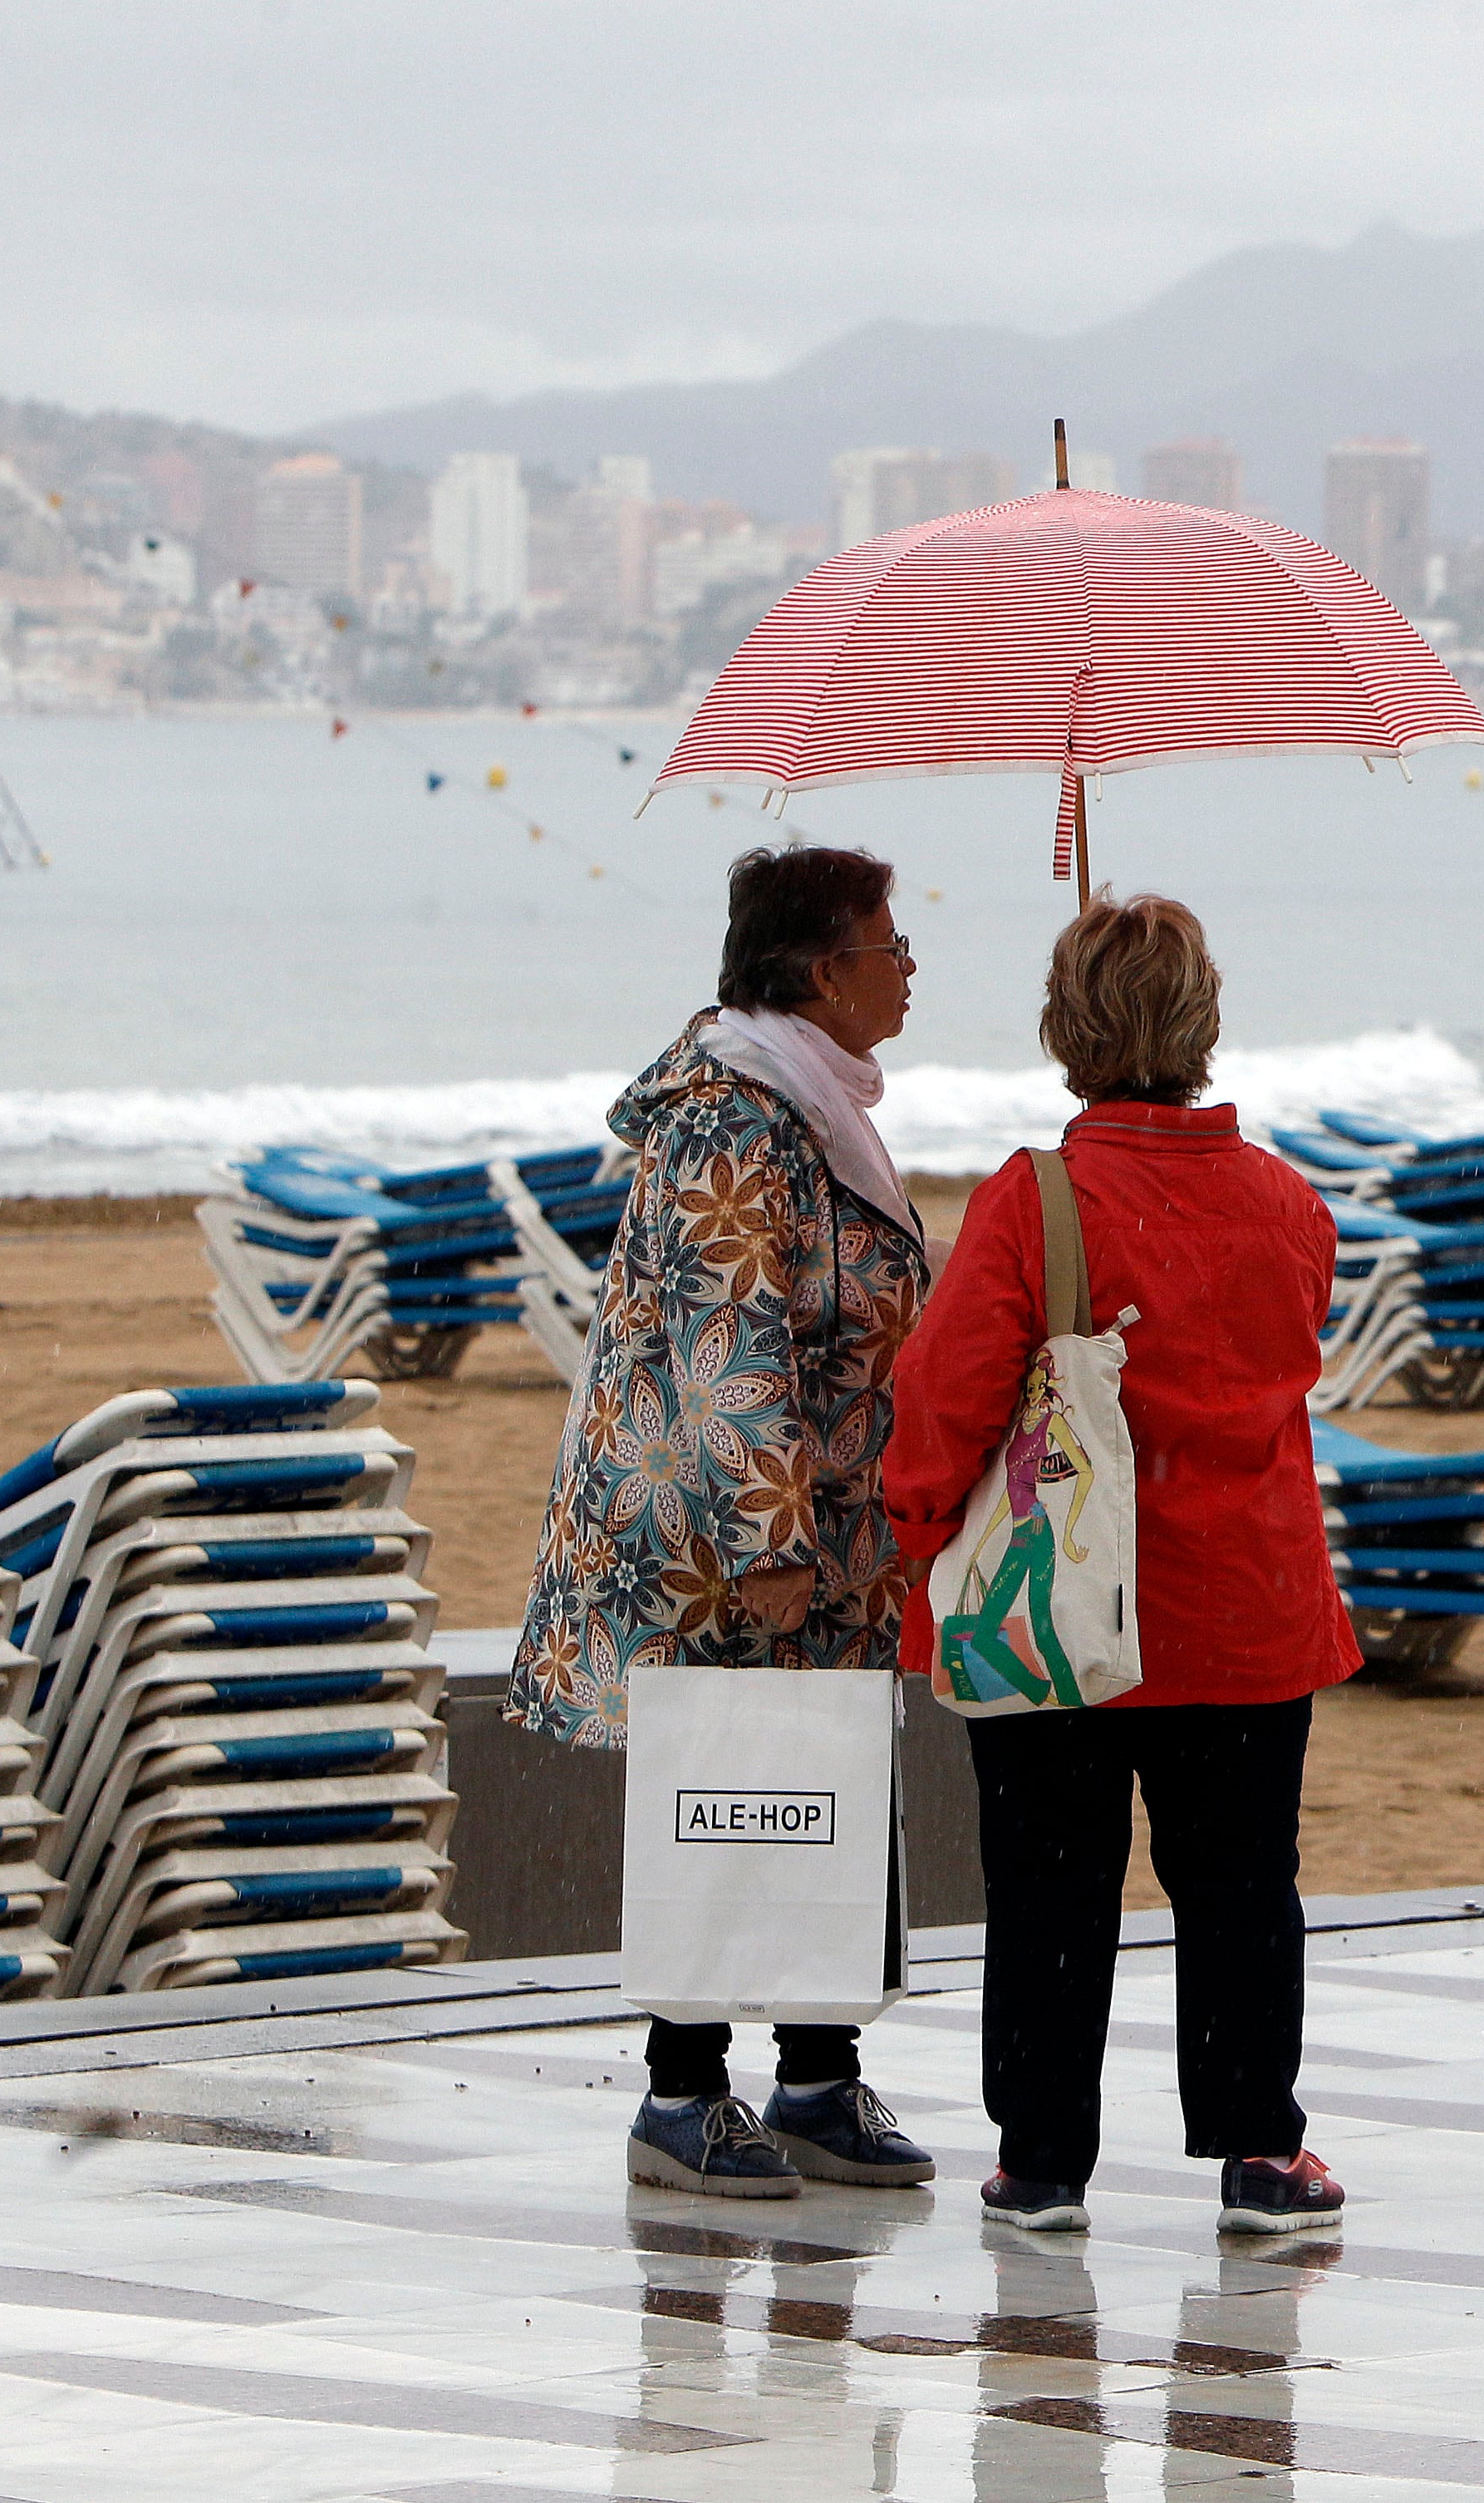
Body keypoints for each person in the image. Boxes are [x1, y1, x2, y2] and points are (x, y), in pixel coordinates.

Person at [886, 893, 1359, 2235]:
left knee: (1048, 1887)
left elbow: (949, 1396)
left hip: (1060, 1608)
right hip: (1247, 1606)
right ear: (1203, 1023)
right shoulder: (1284, 1201)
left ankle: (1041, 2160)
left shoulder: (1034, 1203)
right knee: (1241, 1886)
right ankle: (1260, 2148)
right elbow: (1286, 1347)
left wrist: (922, 1535)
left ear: (1065, 1029)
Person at [514, 843, 938, 2200]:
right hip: (730, 1539)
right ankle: (682, 2089)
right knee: (728, 1793)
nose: (908, 967)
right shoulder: (736, 1113)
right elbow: (723, 1335)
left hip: (825, 1528)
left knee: (815, 1792)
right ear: (822, 970)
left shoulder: (808, 1097)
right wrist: (767, 1541)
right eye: (889, 944)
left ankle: (814, 2075)